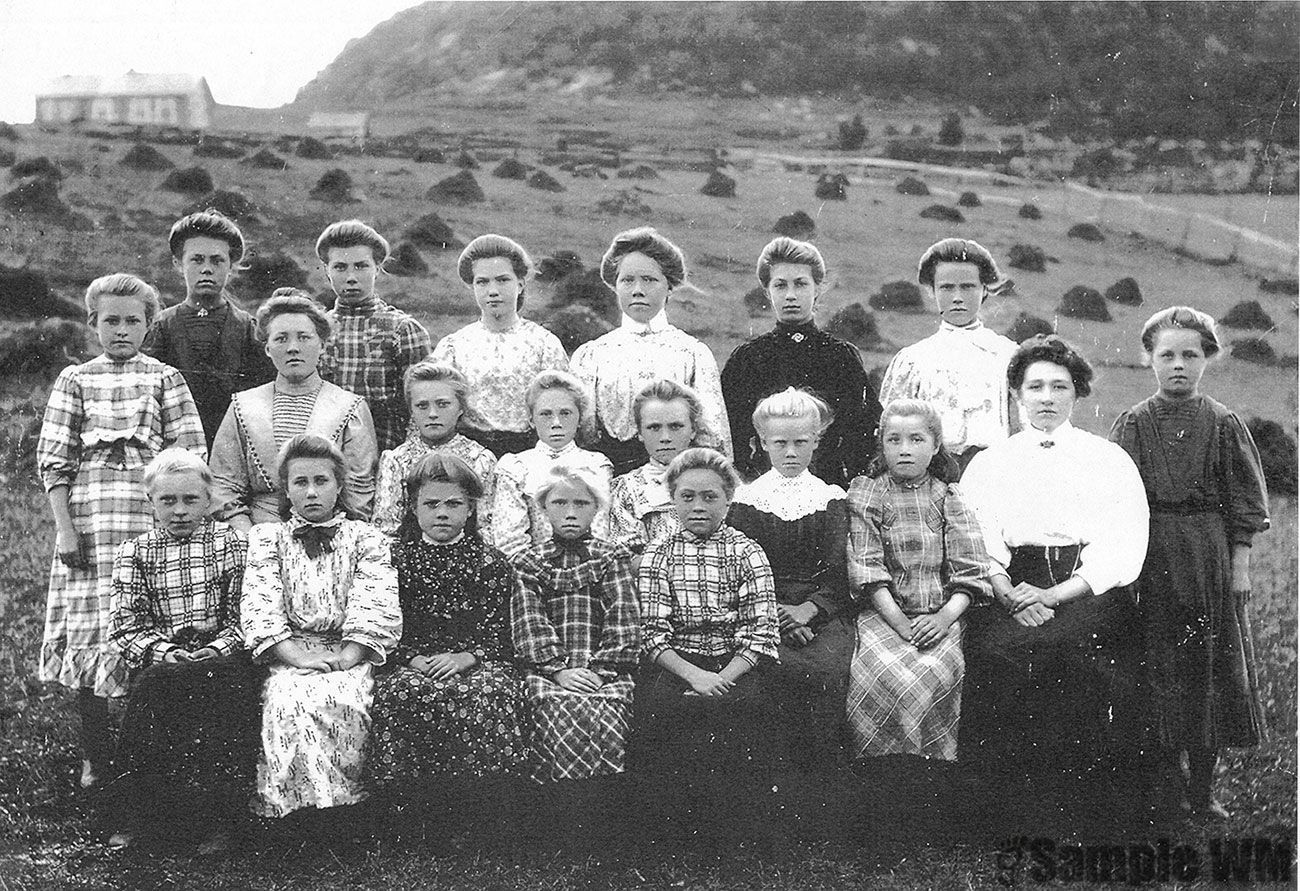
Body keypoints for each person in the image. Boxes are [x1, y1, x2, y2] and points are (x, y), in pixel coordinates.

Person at [960, 335, 1149, 826]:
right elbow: (974, 541)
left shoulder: (1108, 460)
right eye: (1035, 385)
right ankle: (1005, 809)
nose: (1046, 397)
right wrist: (1008, 594)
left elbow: (1121, 548)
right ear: (1017, 393)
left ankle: (1076, 807)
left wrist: (1053, 595)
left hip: (1083, 586)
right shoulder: (989, 462)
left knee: (1065, 652)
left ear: (1076, 393)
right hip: (1007, 584)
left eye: (1059, 386)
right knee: (997, 652)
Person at [37, 273, 205, 790]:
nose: (121, 330)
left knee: (145, 632)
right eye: (111, 320)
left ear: (149, 325)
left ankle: (146, 754)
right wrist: (66, 531)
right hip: (90, 523)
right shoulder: (75, 380)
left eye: (133, 321)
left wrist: (176, 522)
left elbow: (189, 456)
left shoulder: (165, 379)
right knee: (92, 634)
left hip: (147, 520)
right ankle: (96, 756)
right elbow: (55, 463)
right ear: (93, 324)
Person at [1110, 307, 1270, 819]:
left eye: (1190, 355)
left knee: (1208, 669)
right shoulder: (1133, 422)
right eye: (1166, 355)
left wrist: (1238, 566)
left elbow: (1244, 503)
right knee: (1157, 668)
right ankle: (1167, 785)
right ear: (1148, 360)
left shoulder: (1223, 423)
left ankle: (1203, 791)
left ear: (1208, 359)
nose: (1178, 365)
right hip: (1149, 554)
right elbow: (1114, 498)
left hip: (1207, 557)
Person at [106, 449, 261, 854]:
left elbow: (245, 616)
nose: (179, 511)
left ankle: (222, 819)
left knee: (227, 704)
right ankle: (140, 816)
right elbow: (125, 626)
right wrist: (162, 651)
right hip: (166, 661)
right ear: (150, 502)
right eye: (168, 501)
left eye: (190, 500)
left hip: (220, 659)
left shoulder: (231, 545)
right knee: (151, 698)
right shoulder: (136, 553)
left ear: (209, 500)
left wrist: (217, 648)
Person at [241, 434, 402, 820]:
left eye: (321, 481)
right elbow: (260, 601)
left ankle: (340, 812)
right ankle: (294, 812)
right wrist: (295, 656)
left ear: (339, 485)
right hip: (290, 649)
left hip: (348, 649)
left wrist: (347, 657)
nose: (312, 492)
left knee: (344, 700)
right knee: (288, 701)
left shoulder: (367, 538)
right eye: (301, 482)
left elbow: (374, 598)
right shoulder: (268, 539)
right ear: (286, 488)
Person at [630, 448, 780, 843]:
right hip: (678, 661)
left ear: (729, 500)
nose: (698, 506)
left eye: (710, 497)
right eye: (687, 497)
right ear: (673, 501)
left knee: (748, 709)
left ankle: (736, 828)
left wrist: (722, 679)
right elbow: (651, 633)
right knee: (662, 709)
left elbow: (760, 631)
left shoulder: (747, 552)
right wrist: (695, 676)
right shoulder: (658, 554)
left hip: (734, 662)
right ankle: (672, 827)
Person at [368, 453, 528, 820]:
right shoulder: (394, 560)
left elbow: (501, 629)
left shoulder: (490, 561)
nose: (443, 512)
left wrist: (466, 658)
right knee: (401, 693)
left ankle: (482, 812)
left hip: (477, 659)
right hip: (414, 659)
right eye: (432, 504)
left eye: (454, 504)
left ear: (471, 509)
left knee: (491, 693)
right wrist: (410, 658)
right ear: (414, 507)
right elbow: (386, 621)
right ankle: (412, 812)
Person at [844, 399, 990, 771]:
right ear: (882, 445)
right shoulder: (867, 493)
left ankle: (928, 778)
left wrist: (943, 619)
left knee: (933, 676)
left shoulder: (948, 497)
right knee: (879, 676)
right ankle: (883, 776)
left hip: (940, 614)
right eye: (894, 440)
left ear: (935, 445)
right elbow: (867, 568)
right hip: (884, 615)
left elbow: (970, 569)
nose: (905, 449)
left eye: (916, 439)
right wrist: (901, 625)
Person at [726, 388, 854, 769]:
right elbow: (739, 572)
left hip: (823, 614)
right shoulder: (746, 502)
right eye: (780, 443)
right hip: (760, 613)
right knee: (765, 672)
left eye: (801, 442)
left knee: (828, 672)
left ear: (817, 441)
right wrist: (778, 617)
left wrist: (808, 611)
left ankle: (821, 783)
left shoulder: (831, 499)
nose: (791, 452)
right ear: (762, 443)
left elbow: (837, 572)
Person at [512, 464, 639, 783]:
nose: (570, 512)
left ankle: (603, 804)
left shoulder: (612, 558)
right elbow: (529, 621)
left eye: (581, 503)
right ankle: (554, 808)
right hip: (549, 673)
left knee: (611, 708)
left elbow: (623, 617)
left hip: (604, 671)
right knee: (545, 704)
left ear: (597, 507)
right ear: (542, 508)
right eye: (559, 503)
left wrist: (601, 670)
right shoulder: (528, 562)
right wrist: (558, 669)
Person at [210, 290, 377, 532]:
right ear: (267, 348)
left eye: (303, 337)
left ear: (322, 345)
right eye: (281, 339)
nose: (293, 348)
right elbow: (223, 486)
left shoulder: (349, 407)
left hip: (331, 536)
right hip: (257, 535)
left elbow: (359, 494)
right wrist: (249, 538)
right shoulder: (243, 405)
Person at [722, 237, 880, 488]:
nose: (791, 295)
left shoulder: (841, 357)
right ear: (767, 291)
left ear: (817, 288)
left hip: (830, 490)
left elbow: (861, 435)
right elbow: (732, 438)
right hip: (762, 491)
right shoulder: (747, 359)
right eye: (780, 285)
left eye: (801, 284)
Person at [571, 227, 731, 474]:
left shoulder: (692, 353)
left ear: (669, 286)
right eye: (627, 280)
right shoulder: (593, 355)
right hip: (607, 477)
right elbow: (582, 435)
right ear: (615, 286)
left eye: (649, 280)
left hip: (678, 480)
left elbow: (713, 437)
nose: (637, 290)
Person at [879, 238, 1018, 474]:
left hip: (993, 472)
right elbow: (888, 427)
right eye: (946, 287)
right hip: (929, 474)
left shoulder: (1007, 354)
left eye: (968, 286)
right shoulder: (912, 359)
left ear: (985, 288)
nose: (957, 297)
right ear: (931, 291)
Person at [145, 210, 274, 448]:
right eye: (197, 260)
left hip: (234, 450)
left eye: (217, 261)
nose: (207, 269)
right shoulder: (159, 328)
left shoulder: (249, 330)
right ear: (178, 264)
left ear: (231, 266)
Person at [432, 234, 569, 458]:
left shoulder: (544, 344)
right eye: (482, 282)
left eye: (503, 280)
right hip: (468, 456)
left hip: (529, 453)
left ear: (521, 283)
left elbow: (560, 407)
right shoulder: (454, 346)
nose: (492, 290)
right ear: (472, 286)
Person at [317, 220, 432, 453]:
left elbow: (421, 405)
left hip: (387, 454)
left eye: (361, 266)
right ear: (326, 270)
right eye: (340, 267)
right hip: (324, 457)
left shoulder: (403, 330)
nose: (351, 276)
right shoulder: (315, 330)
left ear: (377, 268)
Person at [491, 371, 612, 558]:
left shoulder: (596, 465)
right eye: (546, 414)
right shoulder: (516, 466)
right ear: (532, 420)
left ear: (579, 418)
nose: (556, 423)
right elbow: (509, 541)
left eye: (565, 413)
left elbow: (600, 531)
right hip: (532, 573)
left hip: (591, 569)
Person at [372, 361, 497, 541]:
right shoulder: (397, 460)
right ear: (411, 411)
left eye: (443, 404)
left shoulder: (480, 459)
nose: (432, 413)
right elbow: (385, 531)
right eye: (422, 406)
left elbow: (486, 528)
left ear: (460, 408)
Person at [607, 379, 712, 548]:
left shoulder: (718, 479)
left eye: (676, 426)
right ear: (640, 432)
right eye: (654, 428)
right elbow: (626, 556)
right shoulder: (627, 489)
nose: (665, 438)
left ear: (693, 430)